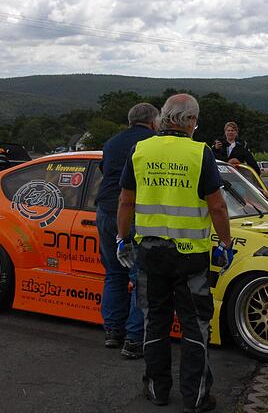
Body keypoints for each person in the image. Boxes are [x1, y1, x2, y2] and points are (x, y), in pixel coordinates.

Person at [116, 93, 233, 413]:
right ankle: (196, 397)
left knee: (155, 321)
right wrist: (226, 244)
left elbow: (126, 201)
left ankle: (157, 389)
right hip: (191, 257)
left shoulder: (140, 150)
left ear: (164, 118)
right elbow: (218, 206)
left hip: (150, 253)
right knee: (195, 326)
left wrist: (122, 238)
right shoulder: (200, 153)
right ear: (191, 121)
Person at [95, 102, 157, 357]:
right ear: (153, 121)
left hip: (105, 212)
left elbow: (104, 169)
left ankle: (113, 331)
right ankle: (134, 339)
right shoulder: (152, 143)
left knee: (113, 272)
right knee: (140, 278)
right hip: (132, 214)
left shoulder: (111, 143)